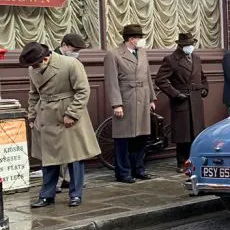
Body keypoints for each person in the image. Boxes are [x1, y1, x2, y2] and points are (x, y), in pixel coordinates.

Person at [22, 42, 100, 208]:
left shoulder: (70, 64)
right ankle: (46, 196)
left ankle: (75, 194)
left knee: (74, 158)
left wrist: (71, 114)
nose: (33, 68)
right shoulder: (33, 69)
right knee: (49, 159)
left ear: (45, 58)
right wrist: (32, 116)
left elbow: (83, 90)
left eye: (35, 64)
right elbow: (34, 94)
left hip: (67, 116)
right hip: (46, 117)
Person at [104, 24, 157, 184]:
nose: (141, 41)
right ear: (131, 39)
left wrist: (151, 98)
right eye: (139, 38)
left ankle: (138, 169)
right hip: (126, 99)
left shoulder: (142, 52)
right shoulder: (113, 54)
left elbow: (147, 76)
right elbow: (112, 81)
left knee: (141, 137)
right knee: (123, 138)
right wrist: (116, 104)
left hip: (143, 97)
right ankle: (123, 172)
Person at [156, 32, 209, 172]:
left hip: (196, 100)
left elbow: (202, 77)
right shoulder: (171, 59)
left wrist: (204, 88)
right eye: (187, 44)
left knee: (196, 131)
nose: (190, 47)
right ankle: (182, 162)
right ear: (180, 45)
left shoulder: (196, 58)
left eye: (192, 44)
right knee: (183, 133)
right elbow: (160, 80)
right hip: (182, 100)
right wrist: (175, 94)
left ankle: (195, 160)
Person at [56, 33, 88, 191]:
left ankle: (70, 179)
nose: (77, 53)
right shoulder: (53, 59)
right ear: (64, 45)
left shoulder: (74, 61)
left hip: (73, 107)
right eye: (74, 50)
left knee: (73, 146)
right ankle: (58, 181)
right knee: (59, 146)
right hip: (58, 108)